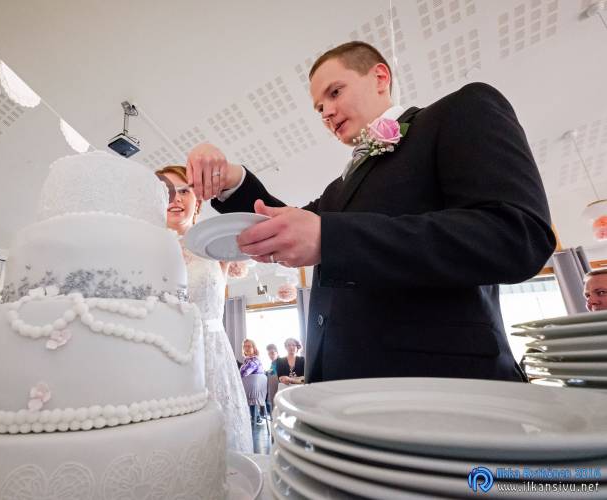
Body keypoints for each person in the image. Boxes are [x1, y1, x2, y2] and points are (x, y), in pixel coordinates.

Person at [186, 40, 555, 383]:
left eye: (334, 92)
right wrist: (231, 179)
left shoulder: (459, 111)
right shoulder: (337, 190)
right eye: (319, 108)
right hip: (340, 389)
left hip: (440, 384)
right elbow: (282, 222)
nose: (327, 112)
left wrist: (332, 239)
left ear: (380, 77)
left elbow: (516, 234)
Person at [155, 165, 253, 454]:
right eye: (166, 192)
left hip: (212, 356)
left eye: (183, 191)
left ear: (197, 201)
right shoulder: (145, 251)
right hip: (162, 356)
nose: (175, 198)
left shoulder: (216, 245)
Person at [239, 339, 266, 425]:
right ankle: (255, 417)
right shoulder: (247, 360)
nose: (246, 348)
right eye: (245, 346)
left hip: (253, 390)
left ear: (254, 348)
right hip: (251, 389)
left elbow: (244, 373)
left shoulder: (254, 360)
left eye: (249, 346)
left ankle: (252, 417)